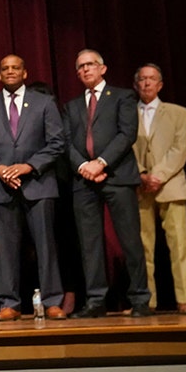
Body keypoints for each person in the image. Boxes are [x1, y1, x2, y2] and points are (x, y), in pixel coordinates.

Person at [0, 54, 67, 321]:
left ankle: (52, 302)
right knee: (7, 247)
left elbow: (56, 143)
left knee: (46, 246)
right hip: (1, 188)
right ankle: (9, 304)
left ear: (25, 73)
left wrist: (28, 166)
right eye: (5, 68)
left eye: (15, 68)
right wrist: (1, 170)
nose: (10, 71)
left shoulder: (44, 103)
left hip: (38, 184)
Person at [63, 49, 151, 318]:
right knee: (89, 244)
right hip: (84, 181)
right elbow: (65, 142)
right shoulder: (71, 105)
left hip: (117, 177)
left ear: (103, 68)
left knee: (130, 240)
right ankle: (95, 301)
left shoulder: (123, 96)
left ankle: (139, 299)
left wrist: (100, 163)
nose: (86, 69)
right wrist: (83, 167)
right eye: (80, 66)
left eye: (91, 64)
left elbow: (127, 134)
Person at [132, 63, 186, 313]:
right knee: (142, 246)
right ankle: (146, 300)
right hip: (140, 186)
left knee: (179, 244)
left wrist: (157, 176)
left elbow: (180, 149)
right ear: (136, 84)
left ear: (160, 85)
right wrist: (141, 173)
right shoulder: (127, 112)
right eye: (142, 79)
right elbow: (126, 147)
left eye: (152, 79)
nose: (147, 83)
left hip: (170, 184)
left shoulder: (178, 113)